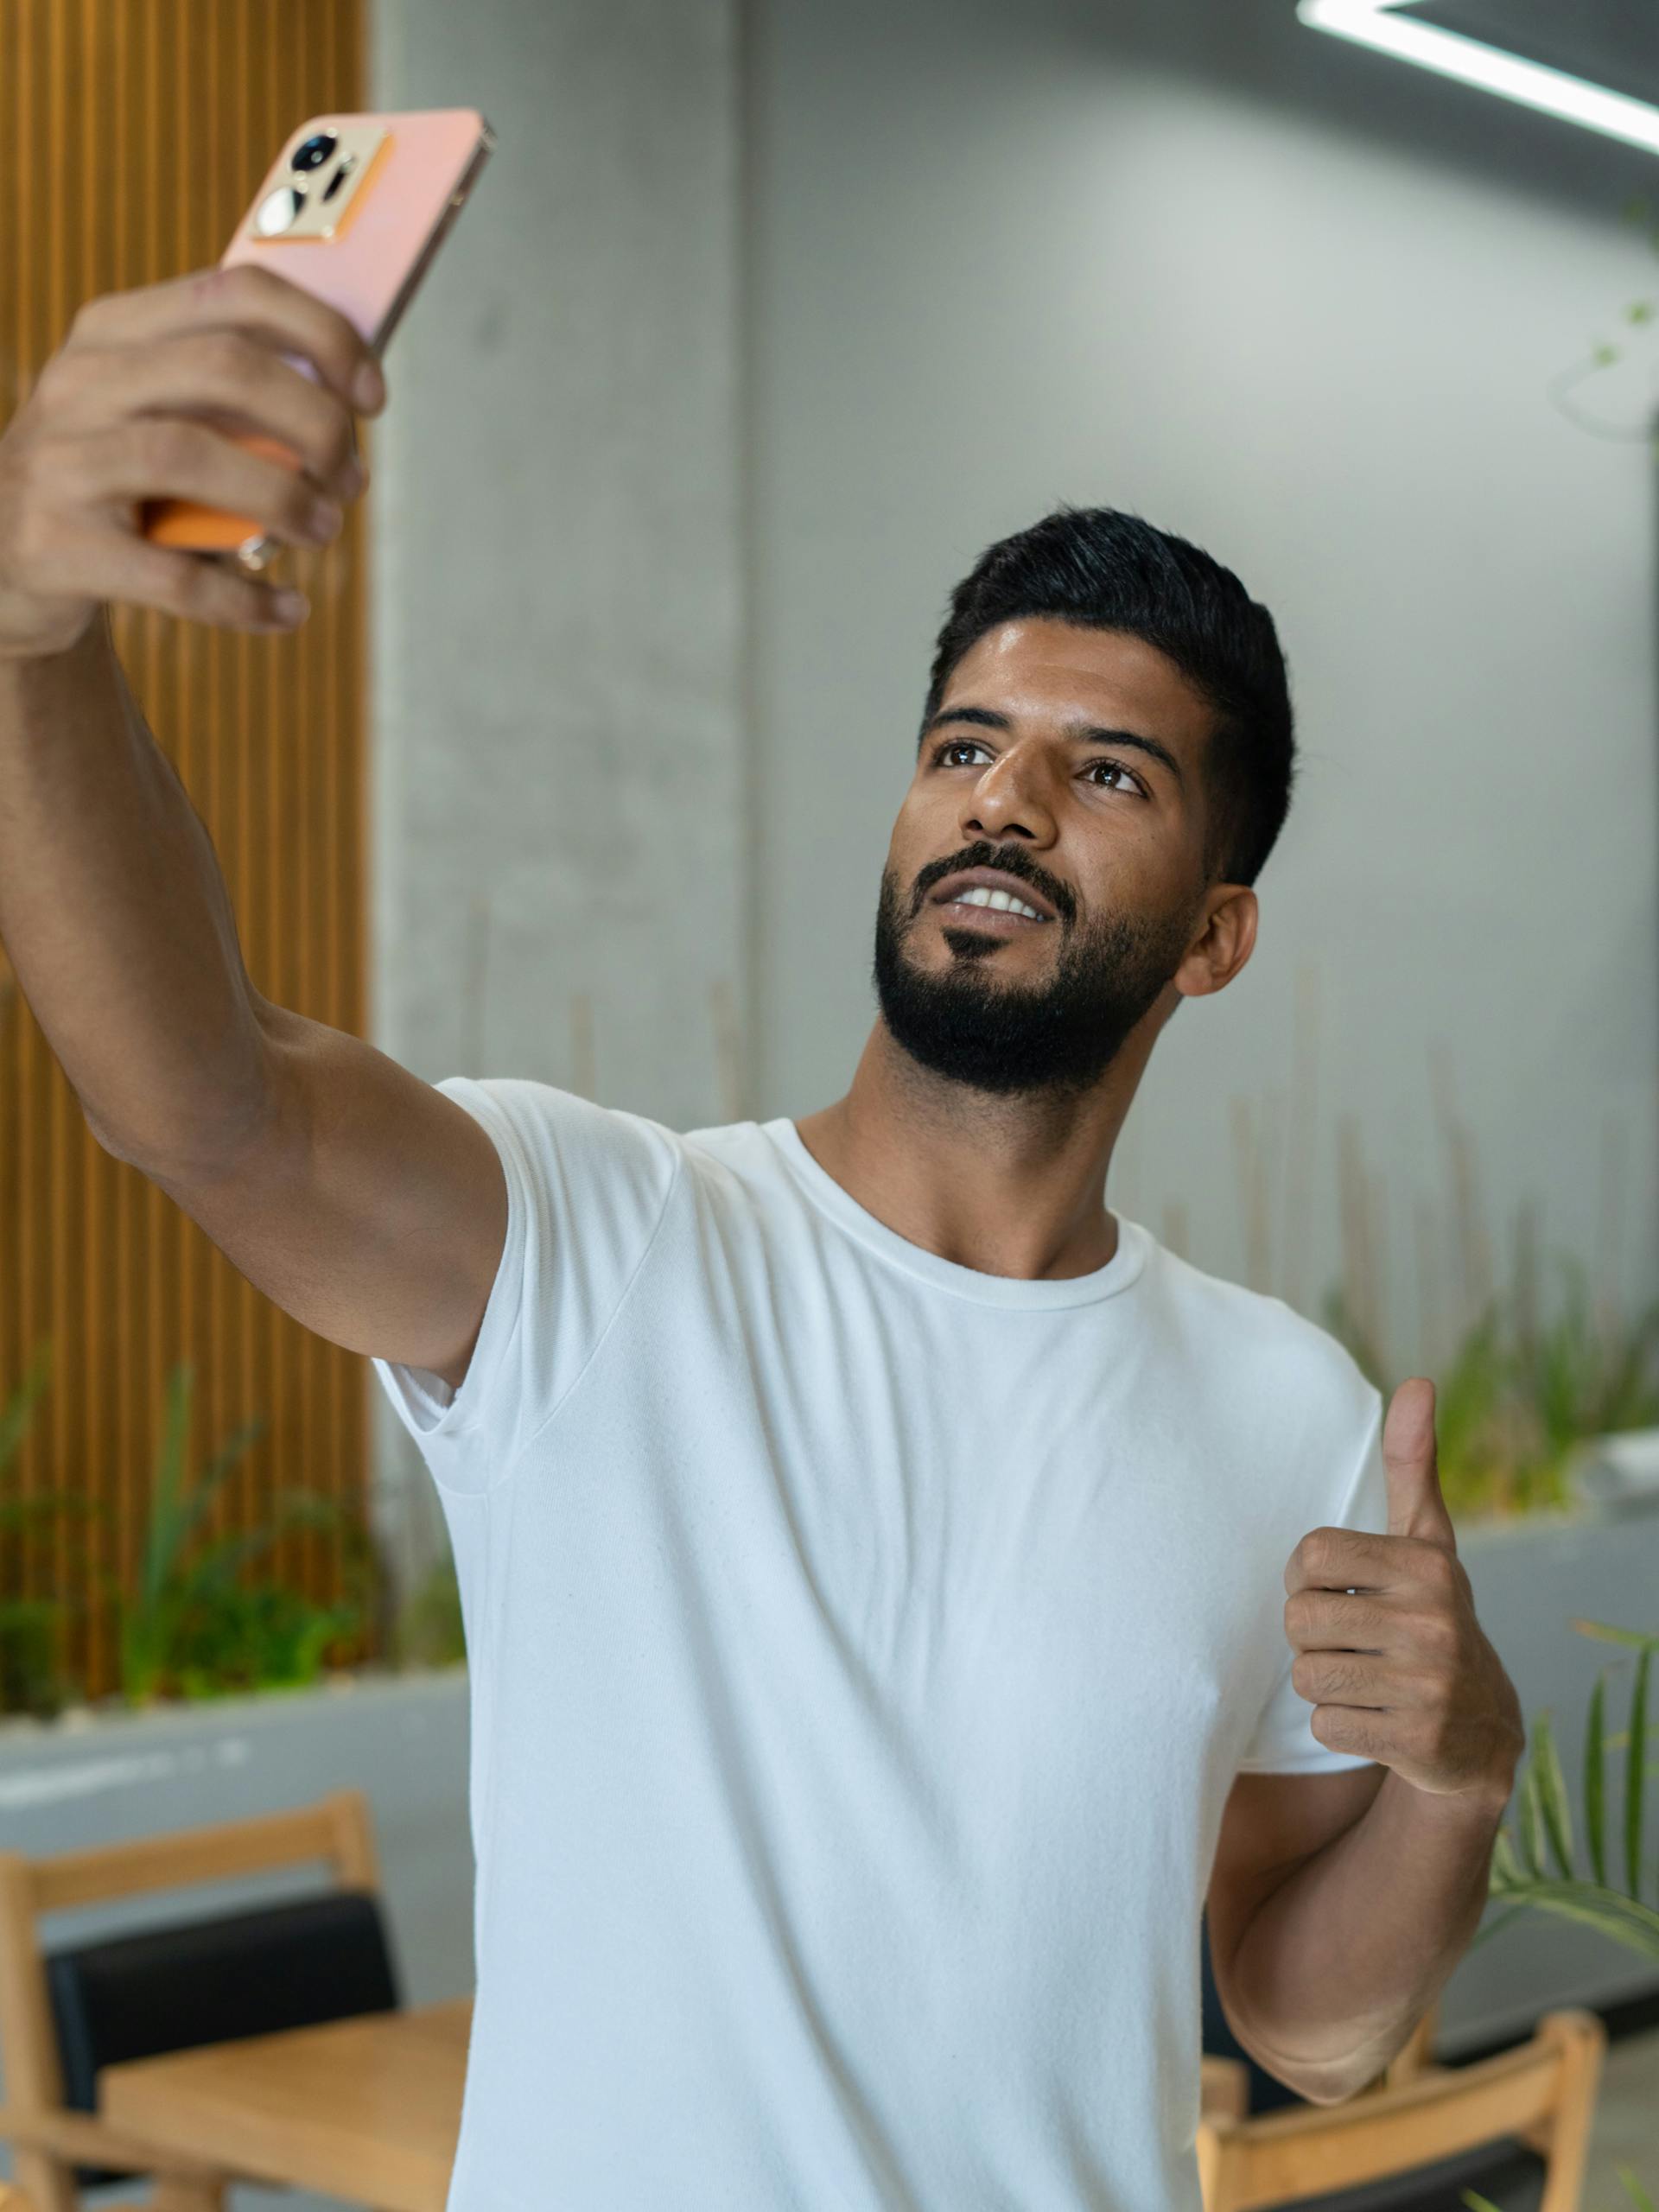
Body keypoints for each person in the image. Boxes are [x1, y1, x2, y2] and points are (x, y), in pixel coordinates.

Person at [0, 264, 1523, 2212]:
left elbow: (1308, 2028)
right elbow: (199, 1098)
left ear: (1218, 933)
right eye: (965, 746)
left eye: (1105, 770)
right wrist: (33, 639)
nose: (1009, 803)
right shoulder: (592, 1243)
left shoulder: (1283, 1405)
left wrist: (1456, 1779)